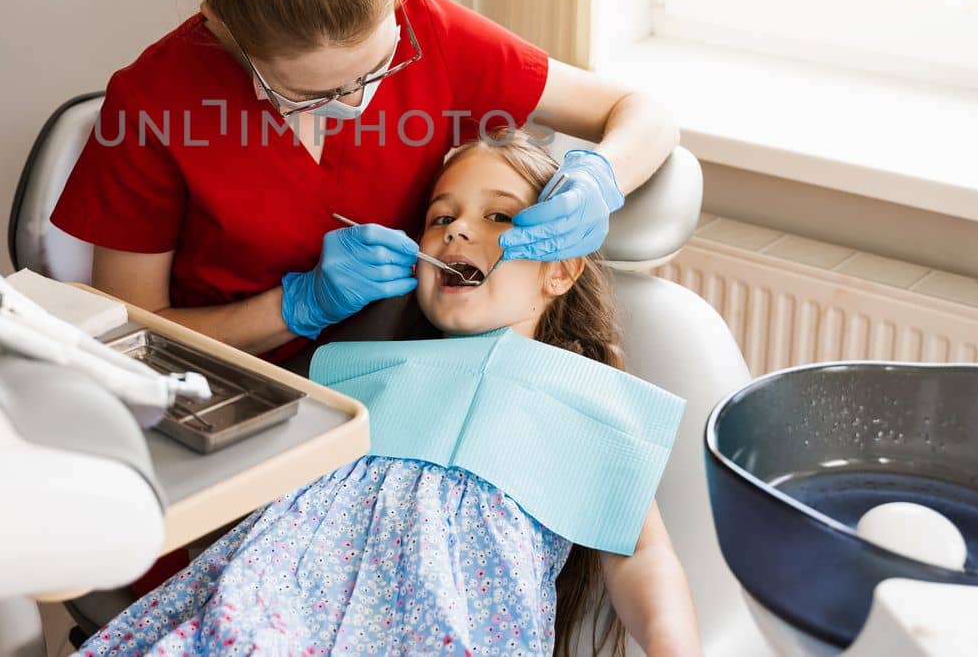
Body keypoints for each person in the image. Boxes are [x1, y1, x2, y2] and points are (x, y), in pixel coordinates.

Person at [52, 0, 678, 362]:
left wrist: (600, 177)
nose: (356, 101)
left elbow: (642, 115)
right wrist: (295, 307)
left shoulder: (429, 31)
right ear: (221, 26)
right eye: (309, 94)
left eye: (377, 68)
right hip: (239, 388)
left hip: (402, 377)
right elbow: (129, 337)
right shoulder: (154, 104)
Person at [76, 135, 703, 657]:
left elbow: (641, 553)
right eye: (440, 217)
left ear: (561, 268)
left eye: (499, 215)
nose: (458, 231)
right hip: (277, 607)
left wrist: (674, 647)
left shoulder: (588, 393)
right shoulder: (359, 368)